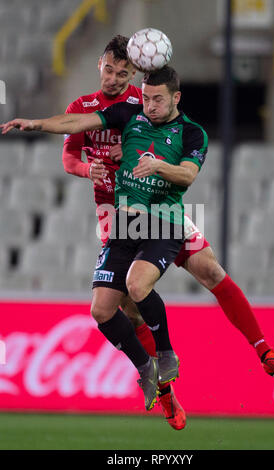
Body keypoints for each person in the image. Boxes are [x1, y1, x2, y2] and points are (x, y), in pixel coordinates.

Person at [1, 62, 274, 413]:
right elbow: (75, 125)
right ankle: (163, 387)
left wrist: (155, 164)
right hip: (126, 220)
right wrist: (34, 124)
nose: (150, 106)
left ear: (176, 98)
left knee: (210, 273)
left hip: (168, 218)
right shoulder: (128, 114)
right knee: (119, 306)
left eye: (157, 100)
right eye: (146, 98)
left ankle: (264, 350)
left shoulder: (190, 133)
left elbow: (187, 176)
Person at [62, 35, 186, 430]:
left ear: (134, 73)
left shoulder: (142, 103)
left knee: (203, 270)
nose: (114, 79)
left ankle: (166, 374)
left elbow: (173, 139)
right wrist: (89, 168)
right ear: (99, 64)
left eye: (123, 72)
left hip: (153, 208)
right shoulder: (81, 108)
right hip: (110, 214)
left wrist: (130, 153)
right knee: (118, 309)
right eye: (109, 69)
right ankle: (159, 380)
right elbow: (69, 157)